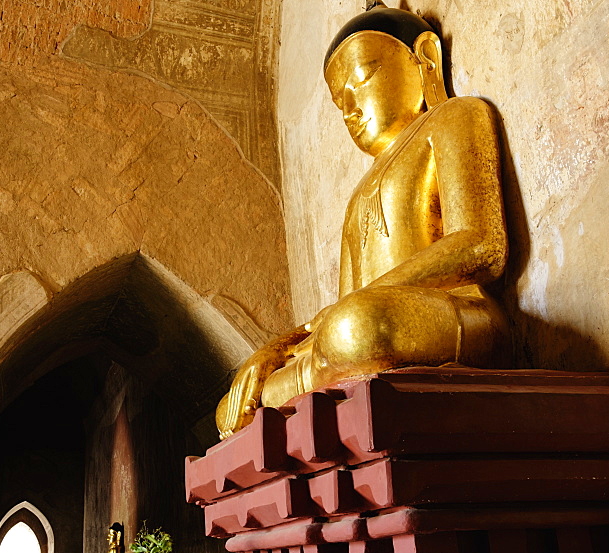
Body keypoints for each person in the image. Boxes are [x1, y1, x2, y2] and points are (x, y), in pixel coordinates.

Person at [216, 0, 509, 438]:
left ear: (425, 59)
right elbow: (340, 307)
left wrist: (341, 322)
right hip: (363, 329)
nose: (350, 108)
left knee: (354, 328)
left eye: (362, 78)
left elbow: (482, 245)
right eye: (339, 101)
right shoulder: (356, 199)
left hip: (460, 315)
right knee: (239, 403)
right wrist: (275, 351)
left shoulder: (454, 118)